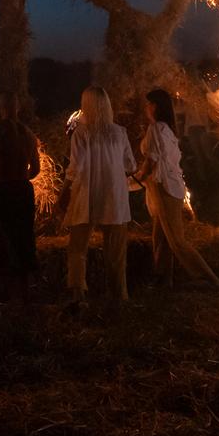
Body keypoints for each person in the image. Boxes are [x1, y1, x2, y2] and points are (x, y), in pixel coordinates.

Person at [132, 89, 219, 288]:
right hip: (169, 186)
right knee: (160, 236)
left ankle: (210, 278)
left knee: (176, 240)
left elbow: (152, 160)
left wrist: (138, 177)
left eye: (148, 104)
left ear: (155, 106)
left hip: (163, 187)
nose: (146, 108)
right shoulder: (168, 129)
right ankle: (163, 279)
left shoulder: (155, 129)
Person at [64, 86, 136, 307]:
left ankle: (78, 295)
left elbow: (76, 166)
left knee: (78, 248)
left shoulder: (81, 133)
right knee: (115, 252)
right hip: (114, 198)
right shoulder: (119, 133)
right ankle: (119, 296)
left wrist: (64, 192)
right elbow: (130, 165)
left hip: (87, 196)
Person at [0, 91, 40, 303]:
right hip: (24, 190)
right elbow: (36, 169)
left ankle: (7, 296)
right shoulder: (29, 133)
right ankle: (25, 294)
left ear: (0, 108)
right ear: (18, 108)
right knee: (23, 239)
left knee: (2, 239)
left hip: (4, 189)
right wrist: (22, 177)